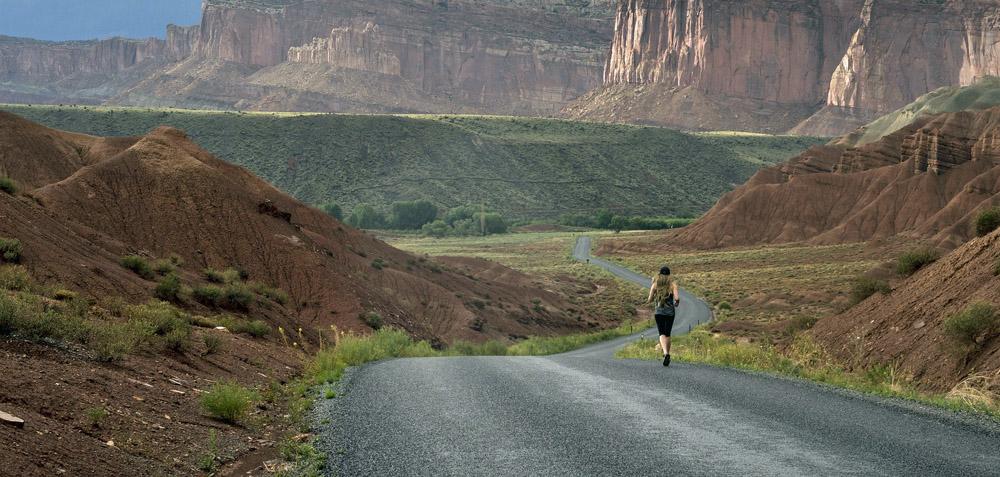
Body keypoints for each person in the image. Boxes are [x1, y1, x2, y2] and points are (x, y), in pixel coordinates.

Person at [647, 266, 679, 367]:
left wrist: (654, 298)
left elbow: (650, 299)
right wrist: (676, 303)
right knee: (668, 333)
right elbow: (677, 298)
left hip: (659, 312)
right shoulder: (673, 285)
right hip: (670, 312)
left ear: (659, 275)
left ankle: (666, 354)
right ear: (669, 275)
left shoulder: (655, 285)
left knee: (661, 333)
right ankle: (667, 354)